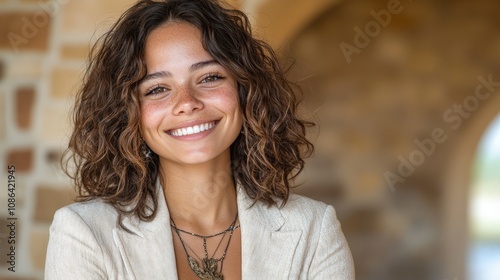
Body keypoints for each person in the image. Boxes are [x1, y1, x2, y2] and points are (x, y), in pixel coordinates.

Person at [44, 0, 355, 279]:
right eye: (157, 89)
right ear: (128, 114)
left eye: (209, 78)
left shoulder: (314, 230)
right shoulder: (85, 233)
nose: (187, 102)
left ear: (245, 91)